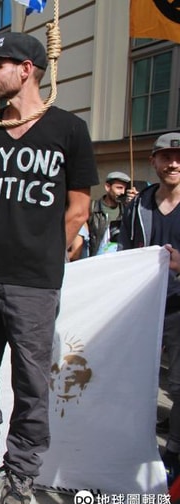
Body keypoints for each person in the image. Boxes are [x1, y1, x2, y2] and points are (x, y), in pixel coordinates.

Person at [0, 33, 97, 504]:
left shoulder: (69, 129)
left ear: (26, 69)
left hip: (33, 280)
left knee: (31, 380)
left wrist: (40, 252)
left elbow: (79, 208)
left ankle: (21, 471)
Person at [119, 133, 180, 483]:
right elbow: (124, 255)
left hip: (178, 309)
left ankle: (173, 453)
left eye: (179, 157)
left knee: (178, 385)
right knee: (135, 379)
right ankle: (133, 446)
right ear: (153, 161)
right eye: (166, 156)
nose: (173, 163)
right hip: (143, 308)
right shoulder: (138, 206)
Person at [86, 171, 136, 257]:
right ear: (107, 187)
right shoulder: (91, 208)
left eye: (125, 189)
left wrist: (133, 205)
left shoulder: (126, 210)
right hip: (95, 260)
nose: (122, 192)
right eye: (119, 188)